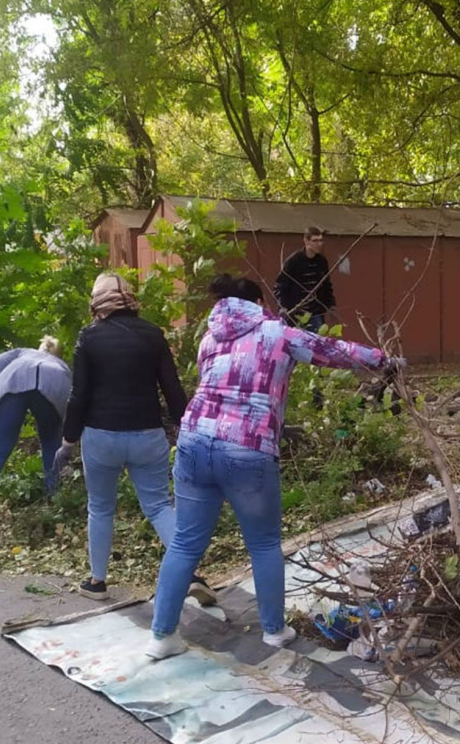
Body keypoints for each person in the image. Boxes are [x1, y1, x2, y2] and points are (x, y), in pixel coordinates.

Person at [145, 276, 402, 660]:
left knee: (184, 542)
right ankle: (274, 631)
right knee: (263, 543)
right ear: (258, 301)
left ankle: (162, 637)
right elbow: (330, 350)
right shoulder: (276, 333)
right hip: (247, 447)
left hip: (194, 441)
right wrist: (385, 361)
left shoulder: (209, 338)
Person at [55, 272, 210, 601]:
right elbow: (172, 388)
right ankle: (191, 574)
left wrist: (68, 440)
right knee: (157, 505)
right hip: (147, 435)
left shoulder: (89, 337)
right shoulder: (153, 334)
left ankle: (97, 582)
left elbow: (78, 395)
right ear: (130, 298)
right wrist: (186, 426)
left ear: (97, 303)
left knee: (100, 508)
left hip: (100, 437)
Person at [0, 337, 71, 533]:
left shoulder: (21, 353)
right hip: (52, 383)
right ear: (58, 353)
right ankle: (53, 501)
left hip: (12, 381)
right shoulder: (60, 365)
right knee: (51, 442)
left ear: (40, 346)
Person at [274, 225, 337, 331]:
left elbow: (326, 285)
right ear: (306, 241)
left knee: (317, 345)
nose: (319, 244)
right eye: (315, 241)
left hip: (316, 313)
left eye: (321, 240)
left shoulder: (321, 262)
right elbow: (280, 286)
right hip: (297, 314)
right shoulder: (294, 261)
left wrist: (331, 305)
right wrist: (282, 307)